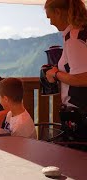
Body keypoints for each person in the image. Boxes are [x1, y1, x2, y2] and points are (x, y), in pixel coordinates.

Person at [44, 0, 87, 140]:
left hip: (80, 112)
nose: (50, 23)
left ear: (58, 12)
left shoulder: (74, 37)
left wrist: (55, 73)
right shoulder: (83, 32)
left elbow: (83, 78)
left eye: (50, 17)